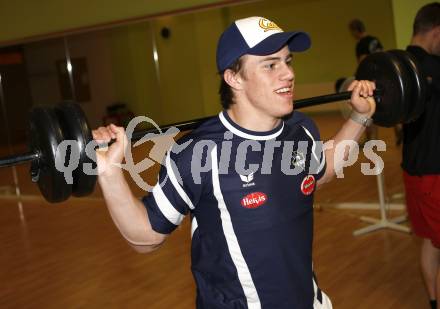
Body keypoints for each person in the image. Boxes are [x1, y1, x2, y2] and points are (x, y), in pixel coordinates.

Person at [93, 16, 376, 309]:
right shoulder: (199, 153)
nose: (288, 74)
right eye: (270, 65)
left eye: (287, 61)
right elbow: (145, 236)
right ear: (234, 78)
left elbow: (322, 170)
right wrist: (110, 171)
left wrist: (359, 117)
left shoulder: (301, 130)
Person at [401, 3, 440, 309]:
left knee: (429, 240)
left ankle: (432, 300)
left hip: (412, 172)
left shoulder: (397, 64)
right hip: (435, 173)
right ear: (437, 32)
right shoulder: (435, 69)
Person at [349, 19, 384, 144]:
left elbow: (363, 62)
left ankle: (371, 138)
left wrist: (357, 77)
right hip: (381, 79)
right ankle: (398, 128)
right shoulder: (375, 40)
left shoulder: (361, 44)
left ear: (355, 31)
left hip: (367, 81)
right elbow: (382, 57)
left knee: (367, 109)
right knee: (379, 109)